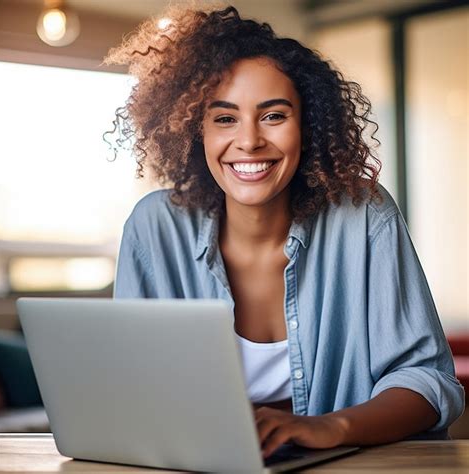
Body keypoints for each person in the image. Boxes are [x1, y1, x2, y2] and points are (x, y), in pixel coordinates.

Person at [105, 4, 464, 459]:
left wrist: (329, 427)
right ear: (197, 132)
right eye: (225, 118)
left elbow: (429, 381)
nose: (250, 140)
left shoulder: (364, 215)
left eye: (273, 116)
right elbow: (131, 385)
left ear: (307, 127)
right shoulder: (155, 228)